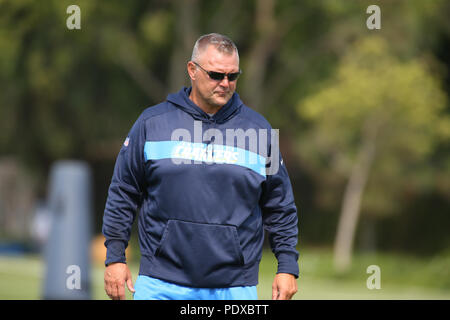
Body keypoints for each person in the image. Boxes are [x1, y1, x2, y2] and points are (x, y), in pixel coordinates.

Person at [102, 33, 299, 300]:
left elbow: (280, 206)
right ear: (192, 70)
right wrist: (115, 257)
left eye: (233, 76)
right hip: (160, 283)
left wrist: (287, 266)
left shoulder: (260, 131)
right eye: (216, 75)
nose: (225, 83)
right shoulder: (152, 123)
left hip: (234, 287)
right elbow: (123, 192)